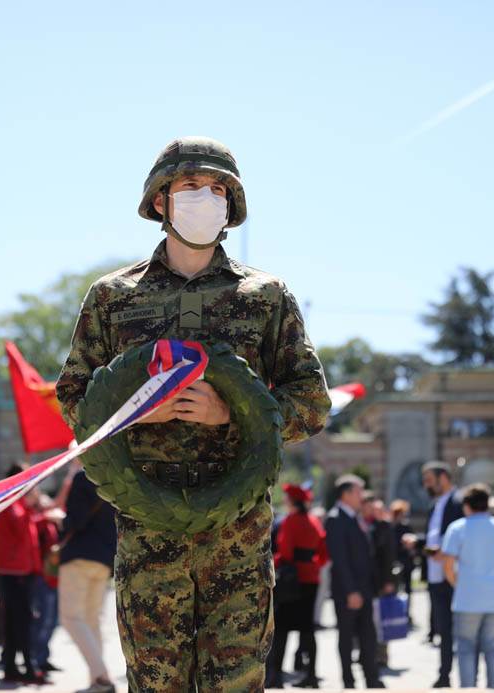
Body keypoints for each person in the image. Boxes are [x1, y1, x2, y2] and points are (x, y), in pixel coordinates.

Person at [56, 136, 331, 691]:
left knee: (235, 683)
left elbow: (312, 402)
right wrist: (137, 415)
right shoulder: (114, 297)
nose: (204, 196)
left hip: (239, 536)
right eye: (189, 186)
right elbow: (75, 400)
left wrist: (230, 412)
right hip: (148, 533)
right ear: (160, 200)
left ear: (232, 202)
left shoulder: (266, 296)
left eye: (216, 188)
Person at [441, 484, 494, 690]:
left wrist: (458, 583)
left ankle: (468, 688)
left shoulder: (458, 528)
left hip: (467, 598)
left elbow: (447, 565)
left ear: (467, 505)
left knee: (466, 648)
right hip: (493, 597)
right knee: (492, 647)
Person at [58, 468, 117, 693]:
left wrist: (61, 521)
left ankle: (102, 676)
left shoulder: (82, 477)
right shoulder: (112, 475)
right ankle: (97, 680)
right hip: (104, 558)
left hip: (80, 556)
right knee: (91, 621)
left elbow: (77, 520)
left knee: (71, 618)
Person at [325, 474, 384, 689]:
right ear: (346, 494)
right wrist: (351, 591)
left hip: (365, 589)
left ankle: (371, 679)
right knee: (347, 638)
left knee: (369, 636)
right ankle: (348, 682)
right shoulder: (335, 518)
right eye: (359, 491)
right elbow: (340, 559)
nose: (362, 496)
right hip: (348, 592)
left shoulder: (355, 517)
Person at [0, 464, 47, 684]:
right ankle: (26, 666)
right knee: (20, 620)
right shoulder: (12, 500)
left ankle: (12, 666)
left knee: (16, 620)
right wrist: (32, 504)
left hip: (19, 569)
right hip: (14, 571)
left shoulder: (17, 501)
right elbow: (20, 523)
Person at [267, 483, 328, 688]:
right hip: (311, 579)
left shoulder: (291, 521)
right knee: (307, 630)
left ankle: (276, 677)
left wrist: (272, 563)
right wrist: (312, 565)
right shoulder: (313, 520)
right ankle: (311, 675)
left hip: (292, 583)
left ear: (292, 501)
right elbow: (324, 552)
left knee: (282, 630)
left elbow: (286, 552)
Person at [421, 460, 463, 688]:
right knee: (443, 630)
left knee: (460, 630)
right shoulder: (434, 505)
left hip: (454, 577)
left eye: (429, 480)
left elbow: (459, 539)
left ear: (443, 478)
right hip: (435, 577)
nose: (426, 485)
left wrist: (445, 552)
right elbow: (434, 538)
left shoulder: (458, 503)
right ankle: (444, 674)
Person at [363, 494, 397, 671]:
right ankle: (366, 653)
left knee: (382, 620)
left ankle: (382, 655)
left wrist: (389, 580)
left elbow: (390, 556)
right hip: (368, 581)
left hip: (382, 580)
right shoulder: (364, 525)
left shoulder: (385, 527)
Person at [30, 489, 61, 674]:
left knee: (52, 621)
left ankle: (43, 656)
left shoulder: (51, 524)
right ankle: (37, 658)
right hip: (43, 578)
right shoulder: (39, 521)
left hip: (54, 579)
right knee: (42, 621)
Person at [390, 500, 416, 624]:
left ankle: (406, 612)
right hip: (395, 561)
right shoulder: (391, 527)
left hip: (406, 562)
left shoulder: (406, 526)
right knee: (396, 588)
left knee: (407, 589)